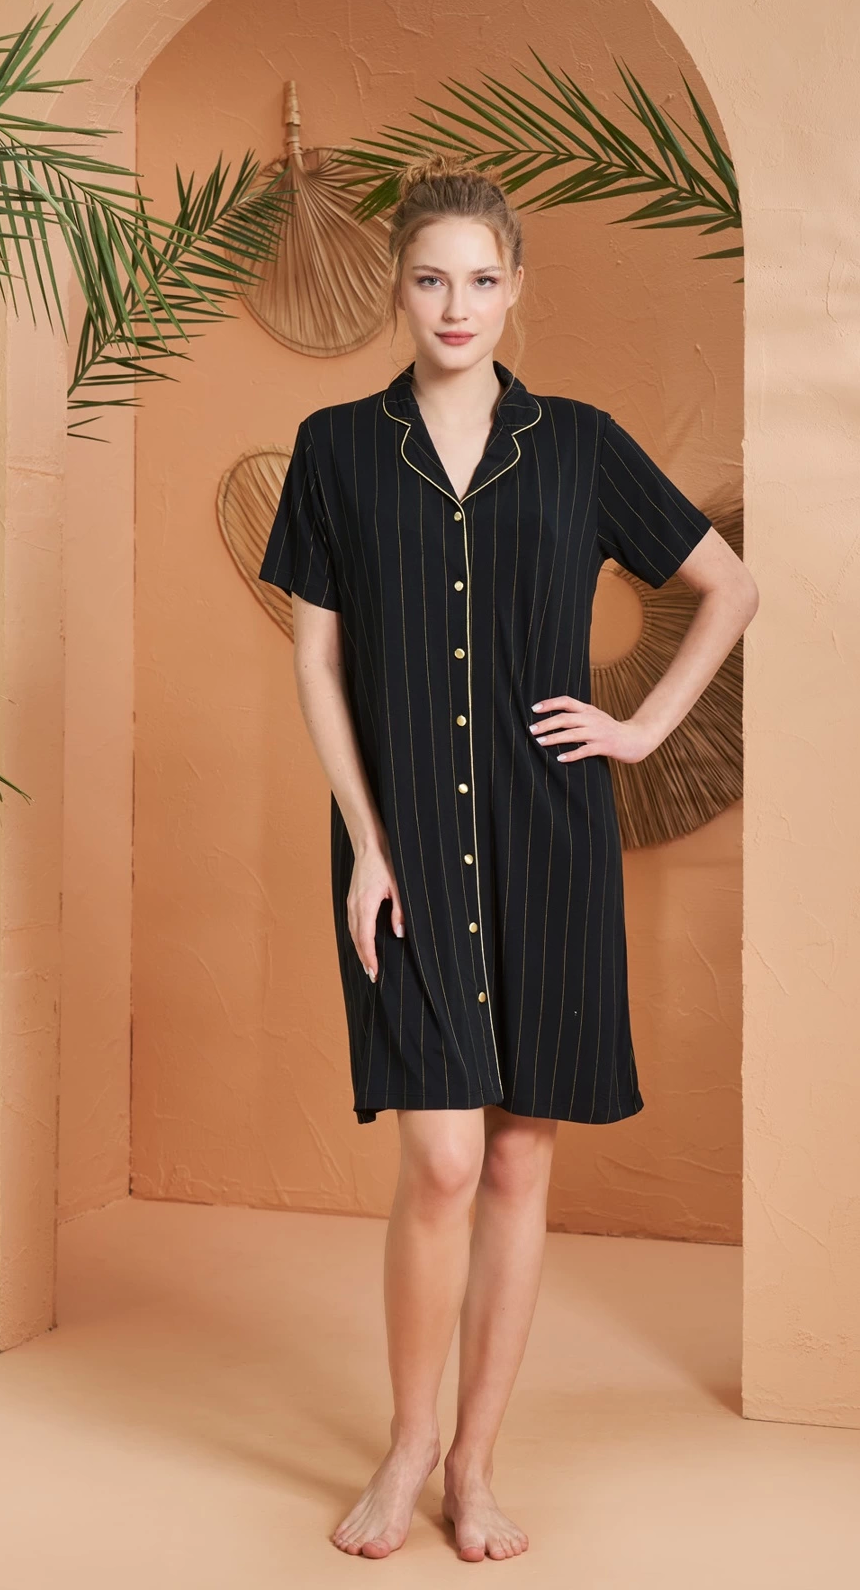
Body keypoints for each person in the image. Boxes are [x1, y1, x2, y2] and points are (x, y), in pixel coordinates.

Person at [258, 154, 758, 1562]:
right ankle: (407, 1444)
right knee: (440, 1160)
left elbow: (729, 586)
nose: (455, 304)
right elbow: (319, 662)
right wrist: (366, 846)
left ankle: (475, 1466)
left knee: (520, 1162)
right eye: (431, 278)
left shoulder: (582, 445)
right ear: (397, 287)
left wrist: (641, 728)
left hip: (550, 839)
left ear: (517, 287)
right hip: (404, 842)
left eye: (481, 279)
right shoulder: (337, 448)